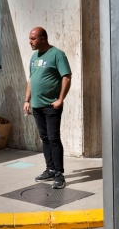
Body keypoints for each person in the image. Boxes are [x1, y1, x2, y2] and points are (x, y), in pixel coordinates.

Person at [23, 27, 71, 189]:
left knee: (53, 138)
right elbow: (31, 79)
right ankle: (49, 169)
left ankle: (59, 174)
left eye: (33, 39)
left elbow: (66, 77)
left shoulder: (57, 54)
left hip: (51, 105)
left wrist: (60, 99)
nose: (30, 42)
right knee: (45, 139)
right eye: (30, 38)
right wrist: (27, 100)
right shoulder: (34, 56)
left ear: (43, 38)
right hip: (36, 105)